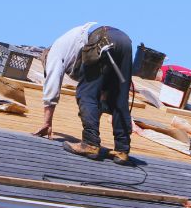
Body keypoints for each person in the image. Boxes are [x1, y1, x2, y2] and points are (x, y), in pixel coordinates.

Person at [33, 22, 133, 165]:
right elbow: (103, 93)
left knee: (85, 93)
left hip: (103, 39)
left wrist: (47, 122)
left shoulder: (54, 51)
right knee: (118, 97)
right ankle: (122, 150)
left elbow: (52, 83)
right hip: (123, 40)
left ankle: (90, 143)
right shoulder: (71, 44)